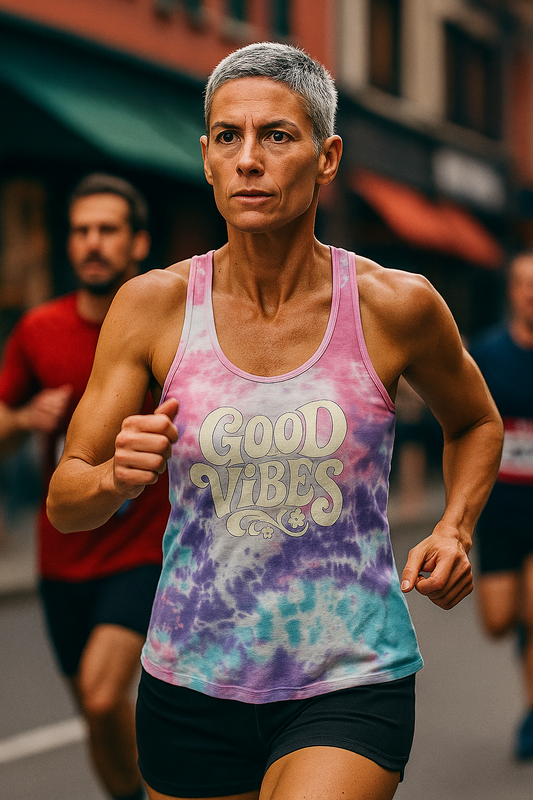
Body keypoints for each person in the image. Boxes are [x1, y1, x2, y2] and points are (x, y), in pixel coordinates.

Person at [47, 43, 503, 800]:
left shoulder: (395, 304)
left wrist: (454, 528)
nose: (249, 159)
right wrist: (112, 478)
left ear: (327, 158)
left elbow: (477, 422)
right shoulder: (153, 306)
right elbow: (66, 501)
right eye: (228, 136)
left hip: (350, 675)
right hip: (191, 679)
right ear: (205, 157)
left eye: (277, 136)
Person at [0, 173, 170, 800]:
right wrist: (23, 418)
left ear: (138, 243)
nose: (92, 243)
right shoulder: (38, 329)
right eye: (81, 231)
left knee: (102, 696)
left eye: (108, 230)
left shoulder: (167, 326)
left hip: (142, 547)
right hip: (62, 554)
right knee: (96, 718)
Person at [470, 252, 533, 760]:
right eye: (524, 284)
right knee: (499, 621)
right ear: (511, 291)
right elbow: (465, 422)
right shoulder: (487, 353)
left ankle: (532, 714)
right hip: (499, 507)